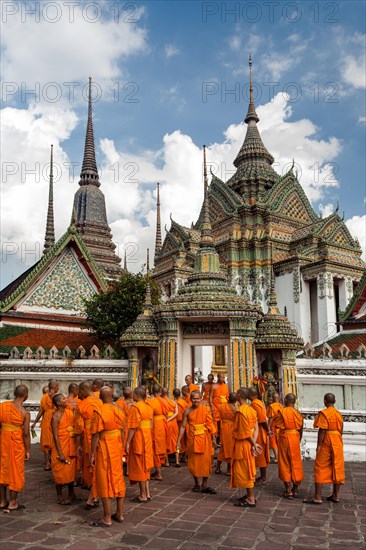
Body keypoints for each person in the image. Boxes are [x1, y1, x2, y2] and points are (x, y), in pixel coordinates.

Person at [89, 386, 126, 527]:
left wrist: (92, 454)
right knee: (118, 478)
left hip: (104, 448)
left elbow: (95, 435)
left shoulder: (99, 411)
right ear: (113, 396)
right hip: (117, 447)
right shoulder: (120, 410)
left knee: (104, 480)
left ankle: (107, 518)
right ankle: (120, 514)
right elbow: (123, 430)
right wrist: (121, 447)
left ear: (100, 397)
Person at [304, 393, 345, 505]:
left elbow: (322, 430)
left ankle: (317, 497)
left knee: (319, 466)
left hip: (327, 439)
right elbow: (341, 430)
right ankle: (335, 495)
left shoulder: (324, 413)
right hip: (337, 440)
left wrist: (319, 445)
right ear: (335, 401)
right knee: (337, 466)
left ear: (325, 401)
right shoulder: (338, 414)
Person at [177, 390, 216, 494]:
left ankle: (205, 484)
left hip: (205, 438)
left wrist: (214, 439)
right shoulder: (187, 411)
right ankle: (196, 483)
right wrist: (179, 440)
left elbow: (210, 424)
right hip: (193, 439)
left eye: (198, 398)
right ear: (190, 399)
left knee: (206, 462)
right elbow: (183, 426)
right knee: (194, 463)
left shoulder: (205, 409)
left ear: (201, 398)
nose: (196, 400)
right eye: (194, 398)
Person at [0, 384, 30, 511]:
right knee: (16, 471)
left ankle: (2, 501)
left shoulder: (2, 406)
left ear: (14, 394)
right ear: (26, 396)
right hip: (17, 443)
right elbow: (26, 433)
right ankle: (12, 502)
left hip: (3, 440)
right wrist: (28, 450)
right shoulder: (24, 412)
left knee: (3, 469)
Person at [231, 387, 261, 508]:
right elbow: (256, 428)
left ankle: (250, 498)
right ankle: (249, 495)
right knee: (248, 470)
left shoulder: (241, 411)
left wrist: (253, 444)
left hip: (244, 445)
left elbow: (245, 432)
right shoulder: (251, 410)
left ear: (239, 395)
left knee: (245, 471)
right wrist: (254, 442)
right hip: (249, 443)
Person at [74, 381, 102, 509]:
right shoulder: (100, 402)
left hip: (88, 436)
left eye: (80, 391)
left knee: (91, 465)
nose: (79, 394)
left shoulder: (81, 405)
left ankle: (93, 496)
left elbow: (78, 427)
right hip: (99, 436)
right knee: (95, 464)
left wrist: (78, 444)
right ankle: (94, 494)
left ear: (84, 391)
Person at [51, 393, 80, 505]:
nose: (66, 399)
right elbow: (55, 436)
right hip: (60, 446)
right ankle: (60, 496)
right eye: (63, 399)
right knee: (59, 470)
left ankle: (71, 493)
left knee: (71, 471)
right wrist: (60, 452)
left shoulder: (69, 412)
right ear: (58, 403)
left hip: (70, 444)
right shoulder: (55, 417)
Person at [273, 393, 303, 499]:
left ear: (286, 400)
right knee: (296, 463)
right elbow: (301, 429)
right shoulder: (298, 413)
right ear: (294, 401)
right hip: (295, 438)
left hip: (285, 437)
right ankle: (295, 489)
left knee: (284, 462)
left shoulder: (282, 412)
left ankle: (288, 490)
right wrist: (298, 440)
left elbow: (276, 424)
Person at [126, 386, 154, 503]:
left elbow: (133, 427)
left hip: (139, 438)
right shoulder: (149, 407)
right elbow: (151, 424)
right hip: (147, 437)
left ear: (137, 396)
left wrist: (127, 442)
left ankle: (142, 495)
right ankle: (147, 493)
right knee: (146, 464)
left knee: (140, 465)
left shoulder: (135, 407)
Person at [31, 379, 59, 471]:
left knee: (46, 444)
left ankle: (47, 463)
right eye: (57, 386)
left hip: (46, 421)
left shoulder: (44, 398)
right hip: (56, 420)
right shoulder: (58, 397)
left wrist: (35, 422)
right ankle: (54, 462)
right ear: (55, 387)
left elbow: (40, 412)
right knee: (55, 441)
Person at [249, 387, 270, 484]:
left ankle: (263, 477)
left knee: (259, 453)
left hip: (259, 430)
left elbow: (262, 420)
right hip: (258, 429)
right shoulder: (258, 403)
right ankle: (260, 476)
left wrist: (267, 430)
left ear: (252, 395)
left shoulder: (256, 405)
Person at [148, 384, 168, 481]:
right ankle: (157, 471)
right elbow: (167, 414)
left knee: (156, 449)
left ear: (152, 392)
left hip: (156, 426)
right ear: (160, 392)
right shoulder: (165, 401)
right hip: (163, 424)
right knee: (161, 447)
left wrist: (149, 429)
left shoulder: (151, 402)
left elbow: (150, 417)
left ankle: (159, 474)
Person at [215, 392, 237, 475]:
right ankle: (228, 470)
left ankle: (217, 468)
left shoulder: (221, 406)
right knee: (230, 449)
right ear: (236, 401)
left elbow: (217, 419)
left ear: (228, 398)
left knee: (223, 448)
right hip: (232, 429)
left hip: (223, 428)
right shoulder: (235, 409)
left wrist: (218, 431)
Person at [161, 387, 179, 467]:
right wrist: (171, 419)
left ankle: (166, 461)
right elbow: (176, 413)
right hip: (173, 422)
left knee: (165, 441)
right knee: (175, 440)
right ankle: (177, 461)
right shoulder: (173, 401)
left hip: (165, 421)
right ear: (168, 393)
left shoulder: (161, 402)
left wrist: (167, 420)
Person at [209, 373, 229, 438]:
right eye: (221, 377)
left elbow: (227, 397)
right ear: (217, 377)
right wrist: (211, 406)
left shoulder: (225, 386)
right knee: (215, 422)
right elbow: (210, 397)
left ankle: (222, 437)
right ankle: (215, 437)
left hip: (224, 406)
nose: (223, 379)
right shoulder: (213, 386)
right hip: (215, 407)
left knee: (223, 421)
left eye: (224, 377)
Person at [266, 392, 283, 463]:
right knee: (278, 442)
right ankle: (279, 457)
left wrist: (268, 427)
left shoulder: (271, 406)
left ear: (273, 398)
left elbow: (271, 418)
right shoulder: (281, 406)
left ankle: (277, 457)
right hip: (280, 427)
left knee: (273, 442)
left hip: (273, 426)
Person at [173, 388, 188, 462]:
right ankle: (184, 456)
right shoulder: (184, 402)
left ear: (174, 395)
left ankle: (178, 458)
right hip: (185, 423)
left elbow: (178, 417)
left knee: (178, 440)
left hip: (180, 424)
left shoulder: (177, 403)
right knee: (184, 441)